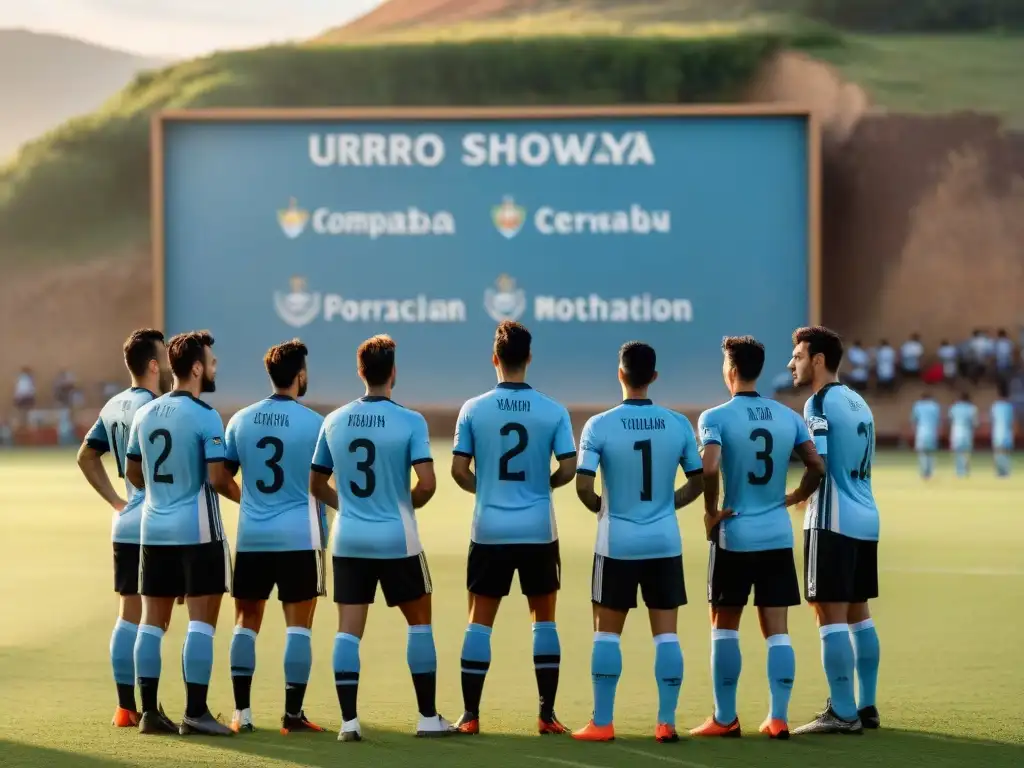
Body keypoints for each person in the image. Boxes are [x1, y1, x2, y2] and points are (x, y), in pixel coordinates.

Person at [309, 334, 452, 742]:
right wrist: (399, 503)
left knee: (348, 630)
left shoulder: (333, 420)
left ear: (360, 372)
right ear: (393, 372)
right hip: (397, 537)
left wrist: (349, 505)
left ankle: (349, 723)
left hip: (350, 537)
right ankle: (427, 718)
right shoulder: (410, 421)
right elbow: (426, 484)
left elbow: (316, 483)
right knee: (419, 625)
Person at [689, 337, 823, 740]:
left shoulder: (715, 416)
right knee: (777, 629)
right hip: (777, 536)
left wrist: (711, 512)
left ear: (730, 369)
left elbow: (710, 468)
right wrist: (797, 496)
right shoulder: (788, 416)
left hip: (736, 536)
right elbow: (816, 464)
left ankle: (725, 717)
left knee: (724, 625)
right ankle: (778, 718)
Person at [571, 342, 705, 744]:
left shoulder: (598, 425)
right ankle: (666, 722)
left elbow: (582, 484)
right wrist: (669, 504)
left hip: (617, 543)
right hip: (664, 540)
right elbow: (697, 481)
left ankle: (603, 722)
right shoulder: (679, 423)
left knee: (606, 633)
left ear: (620, 373)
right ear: (654, 377)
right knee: (666, 634)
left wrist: (603, 508)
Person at [449, 321, 577, 735]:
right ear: (529, 358)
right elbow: (570, 467)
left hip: (489, 529)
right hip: (538, 529)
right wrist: (544, 486)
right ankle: (546, 715)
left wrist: (484, 489)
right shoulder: (553, 409)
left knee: (478, 621)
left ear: (494, 358)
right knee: (544, 621)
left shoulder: (473, 408)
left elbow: (458, 469)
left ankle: (470, 716)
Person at [125, 330, 240, 736]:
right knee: (200, 624)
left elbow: (133, 472)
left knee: (151, 624)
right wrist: (246, 497)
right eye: (210, 361)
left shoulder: (146, 413)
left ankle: (148, 713)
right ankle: (195, 712)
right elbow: (216, 477)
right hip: (198, 533)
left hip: (153, 530)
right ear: (195, 368)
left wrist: (161, 495)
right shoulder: (206, 416)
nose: (213, 368)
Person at [223, 340, 326, 734]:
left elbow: (220, 476)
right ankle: (292, 716)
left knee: (246, 622)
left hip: (253, 537)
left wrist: (246, 500)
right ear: (300, 375)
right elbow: (324, 479)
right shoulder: (315, 423)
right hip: (300, 537)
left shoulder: (242, 420)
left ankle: (241, 715)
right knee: (298, 627)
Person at [787, 326, 880, 735]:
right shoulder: (859, 402)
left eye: (799, 356)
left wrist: (793, 497)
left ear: (818, 359)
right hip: (866, 515)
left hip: (832, 520)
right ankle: (867, 704)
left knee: (829, 612)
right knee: (859, 614)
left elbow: (818, 463)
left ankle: (842, 711)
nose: (792, 363)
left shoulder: (818, 402)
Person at [76, 329, 172, 728]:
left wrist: (117, 501)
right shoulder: (157, 408)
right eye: (164, 358)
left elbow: (86, 456)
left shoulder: (113, 404)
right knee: (154, 619)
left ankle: (124, 707)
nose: (168, 365)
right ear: (153, 365)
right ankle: (150, 708)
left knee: (127, 614)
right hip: (156, 521)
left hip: (124, 521)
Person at [910, 388, 942, 480]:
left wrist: (914, 430)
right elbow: (938, 421)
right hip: (932, 432)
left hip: (921, 431)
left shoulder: (918, 405)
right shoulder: (935, 406)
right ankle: (930, 473)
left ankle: (923, 473)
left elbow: (914, 419)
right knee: (931, 454)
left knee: (922, 453)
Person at [948, 393, 979, 478]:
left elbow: (950, 419)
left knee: (957, 453)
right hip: (967, 432)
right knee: (966, 453)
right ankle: (965, 471)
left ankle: (959, 471)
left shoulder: (954, 407)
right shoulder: (972, 408)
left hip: (956, 432)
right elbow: (975, 423)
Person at [989, 382, 1016, 477]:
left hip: (998, 432)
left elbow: (992, 419)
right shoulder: (1010, 407)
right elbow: (1011, 421)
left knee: (998, 453)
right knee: (1006, 453)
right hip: (1007, 433)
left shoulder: (995, 406)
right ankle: (1006, 472)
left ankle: (1000, 472)